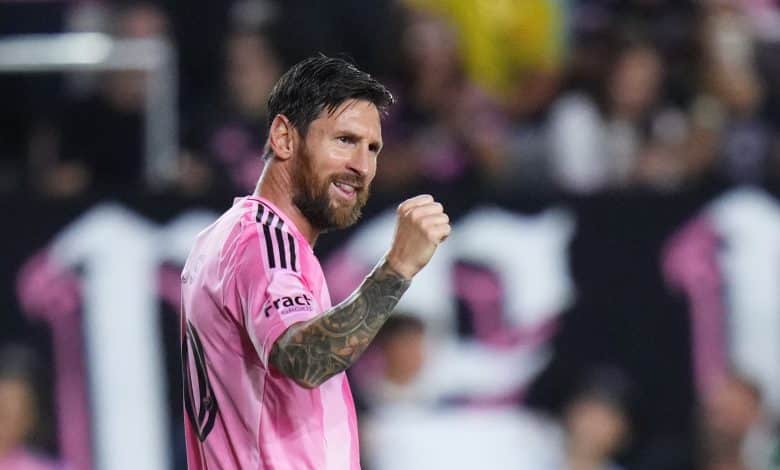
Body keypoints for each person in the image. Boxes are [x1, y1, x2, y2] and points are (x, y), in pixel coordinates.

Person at [180, 55, 451, 470]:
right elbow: (305, 359)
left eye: (372, 148)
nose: (361, 167)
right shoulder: (265, 239)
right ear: (285, 138)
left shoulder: (225, 238)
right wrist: (397, 267)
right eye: (344, 140)